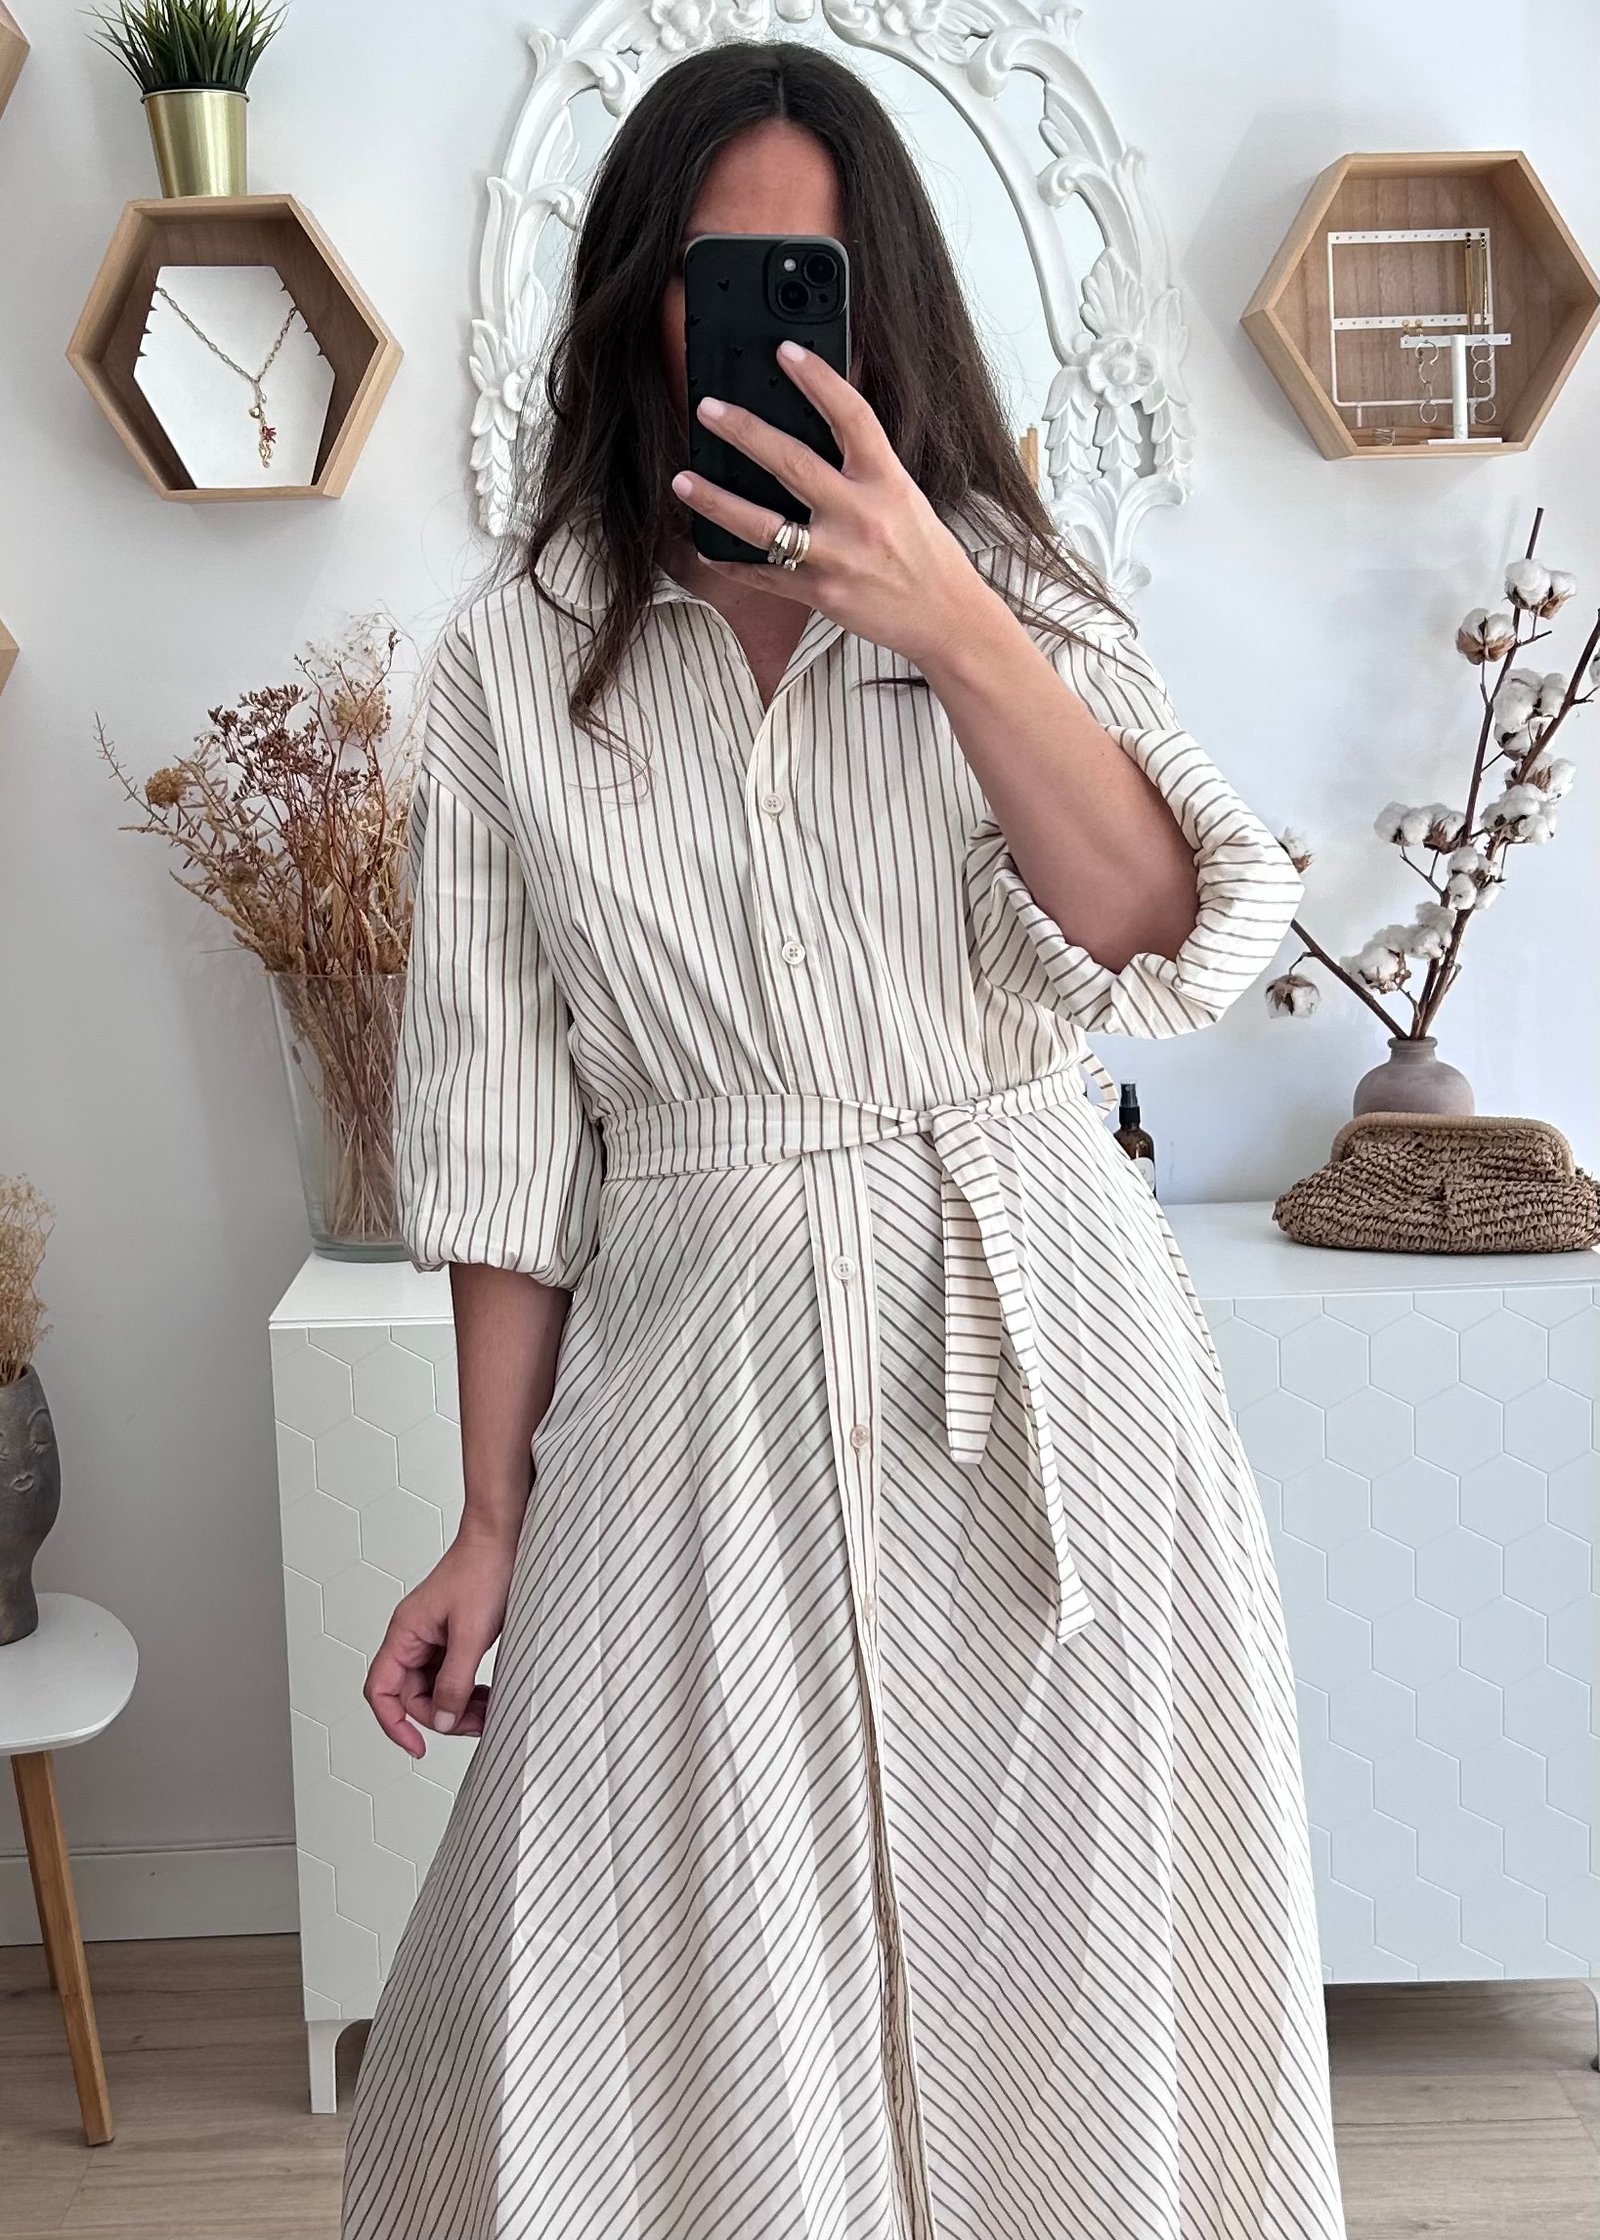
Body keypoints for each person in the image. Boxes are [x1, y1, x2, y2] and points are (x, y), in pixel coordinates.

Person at [342, 39, 1347, 2240]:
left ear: (883, 305)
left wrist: (954, 626)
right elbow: (502, 1130)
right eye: (720, 281)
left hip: (1043, 1343)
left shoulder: (1016, 598)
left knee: (1069, 1923)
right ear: (640, 302)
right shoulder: (515, 662)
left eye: (810, 284)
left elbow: (1164, 938)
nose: (766, 336)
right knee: (645, 1940)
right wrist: (488, 1517)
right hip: (691, 1358)